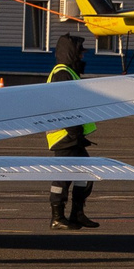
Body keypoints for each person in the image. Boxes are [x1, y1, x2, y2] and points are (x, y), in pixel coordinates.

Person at [46, 35, 100, 230]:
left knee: (84, 173)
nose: (83, 54)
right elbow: (64, 108)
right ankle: (57, 217)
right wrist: (75, 133)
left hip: (72, 136)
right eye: (81, 51)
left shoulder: (69, 72)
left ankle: (76, 214)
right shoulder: (62, 73)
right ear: (72, 52)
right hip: (64, 136)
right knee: (63, 176)